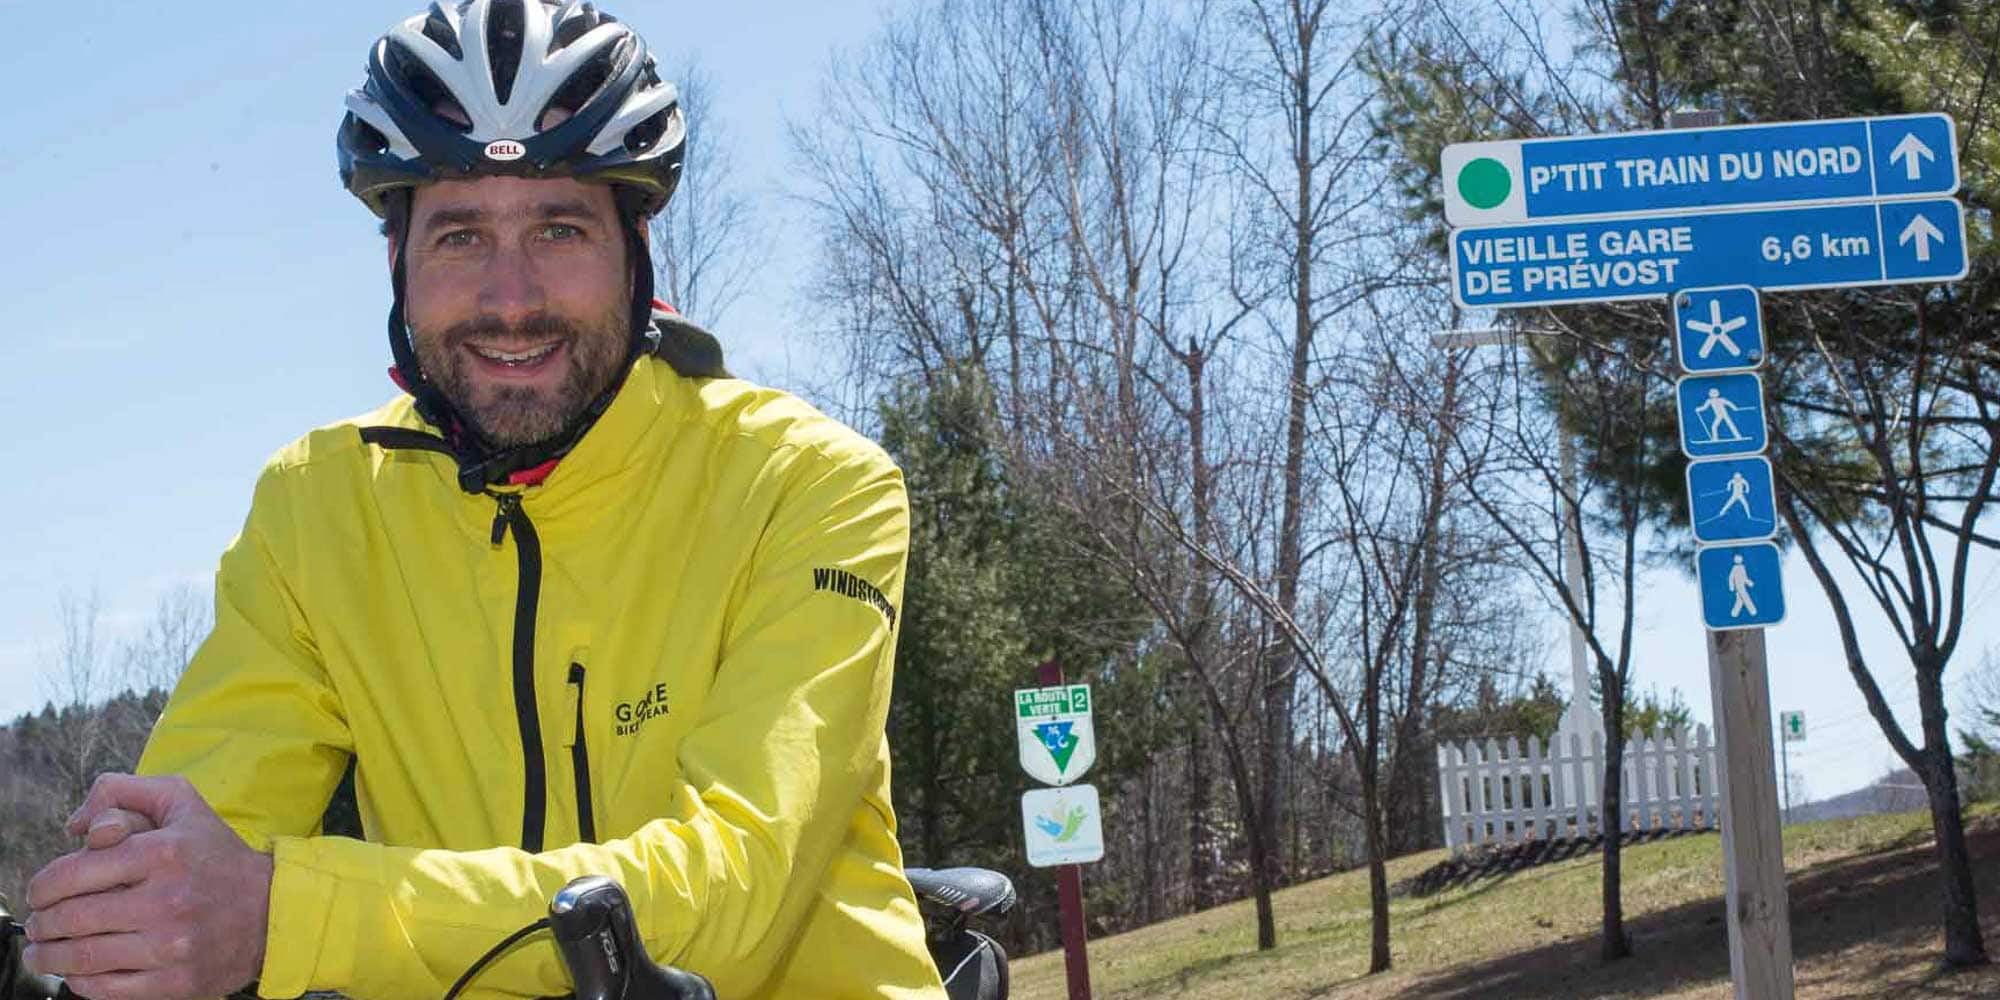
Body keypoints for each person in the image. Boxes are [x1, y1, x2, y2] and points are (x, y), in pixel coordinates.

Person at [19, 3, 947, 998]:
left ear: (637, 248)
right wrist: (117, 917)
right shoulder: (320, 508)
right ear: (396, 262)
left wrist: (288, 913)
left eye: (559, 228)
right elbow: (196, 843)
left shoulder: (811, 484)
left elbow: (734, 895)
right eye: (461, 235)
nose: (510, 298)